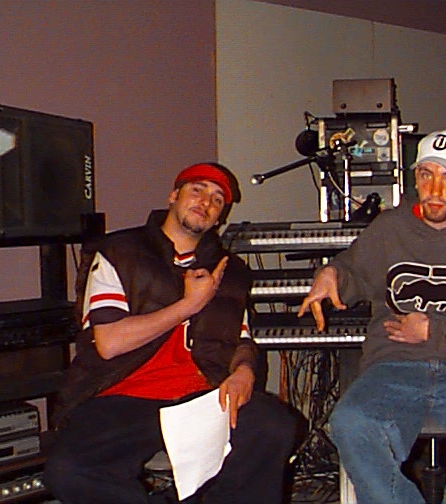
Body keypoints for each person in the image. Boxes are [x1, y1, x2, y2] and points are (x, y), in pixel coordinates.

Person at [298, 130, 446, 504]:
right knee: (350, 422)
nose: (435, 189)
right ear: (415, 177)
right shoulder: (390, 228)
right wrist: (332, 273)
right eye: (427, 174)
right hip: (393, 365)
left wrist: (432, 330)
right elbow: (354, 272)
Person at [45, 163, 297, 504]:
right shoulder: (120, 252)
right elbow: (108, 342)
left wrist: (244, 370)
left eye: (217, 199)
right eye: (198, 190)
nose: (206, 202)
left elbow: (241, 339)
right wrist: (189, 305)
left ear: (220, 217)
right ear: (173, 196)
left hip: (202, 394)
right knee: (68, 470)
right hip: (123, 394)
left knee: (273, 425)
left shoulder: (231, 271)